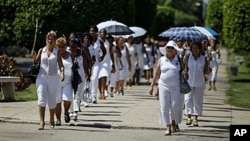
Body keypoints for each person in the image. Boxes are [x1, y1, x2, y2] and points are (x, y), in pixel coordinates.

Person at [31, 31, 64, 130]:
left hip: (53, 78)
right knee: (41, 99)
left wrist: (62, 74)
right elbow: (36, 62)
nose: (49, 41)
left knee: (52, 101)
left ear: (54, 41)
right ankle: (41, 122)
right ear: (46, 40)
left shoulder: (57, 52)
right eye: (48, 39)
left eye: (52, 39)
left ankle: (51, 119)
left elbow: (61, 65)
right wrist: (34, 56)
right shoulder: (42, 50)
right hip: (42, 77)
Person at [149, 40, 183, 135]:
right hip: (163, 86)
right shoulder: (161, 60)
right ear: (166, 49)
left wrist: (185, 72)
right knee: (164, 107)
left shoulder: (179, 60)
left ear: (175, 50)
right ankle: (168, 127)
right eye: (168, 48)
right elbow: (156, 74)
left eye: (172, 48)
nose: (170, 49)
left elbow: (184, 73)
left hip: (176, 87)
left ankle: (173, 122)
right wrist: (152, 86)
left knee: (174, 107)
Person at [184, 41, 209, 127]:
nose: (195, 50)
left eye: (196, 48)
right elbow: (185, 68)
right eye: (193, 48)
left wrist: (208, 66)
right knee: (187, 99)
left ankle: (195, 119)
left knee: (197, 101)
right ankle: (188, 117)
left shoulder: (203, 58)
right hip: (189, 81)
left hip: (199, 82)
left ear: (199, 49)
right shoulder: (188, 57)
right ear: (191, 49)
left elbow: (206, 71)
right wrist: (185, 72)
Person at [68, 37, 90, 120]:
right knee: (70, 94)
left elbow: (85, 64)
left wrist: (88, 73)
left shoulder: (81, 52)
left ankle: (75, 112)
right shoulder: (67, 52)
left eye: (75, 45)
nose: (73, 47)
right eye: (71, 45)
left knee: (77, 94)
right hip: (69, 75)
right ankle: (70, 111)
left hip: (80, 75)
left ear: (78, 45)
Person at [54, 37, 73, 125]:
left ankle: (66, 112)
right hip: (56, 82)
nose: (61, 48)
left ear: (66, 47)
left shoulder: (70, 54)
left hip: (67, 81)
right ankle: (58, 119)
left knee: (67, 98)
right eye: (59, 46)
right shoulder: (54, 55)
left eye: (63, 46)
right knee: (57, 101)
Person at [89, 25, 106, 103]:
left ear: (96, 32)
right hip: (88, 62)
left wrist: (102, 57)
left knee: (95, 77)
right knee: (88, 79)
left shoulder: (99, 41)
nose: (92, 32)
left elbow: (104, 50)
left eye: (93, 31)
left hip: (96, 61)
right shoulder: (87, 40)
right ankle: (87, 96)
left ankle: (94, 96)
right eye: (91, 31)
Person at [98, 29, 115, 99]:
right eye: (102, 33)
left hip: (106, 61)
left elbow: (111, 53)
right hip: (99, 60)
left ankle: (103, 91)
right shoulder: (97, 41)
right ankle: (100, 92)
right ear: (99, 34)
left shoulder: (108, 42)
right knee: (99, 77)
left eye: (104, 33)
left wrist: (113, 63)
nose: (103, 34)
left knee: (104, 75)